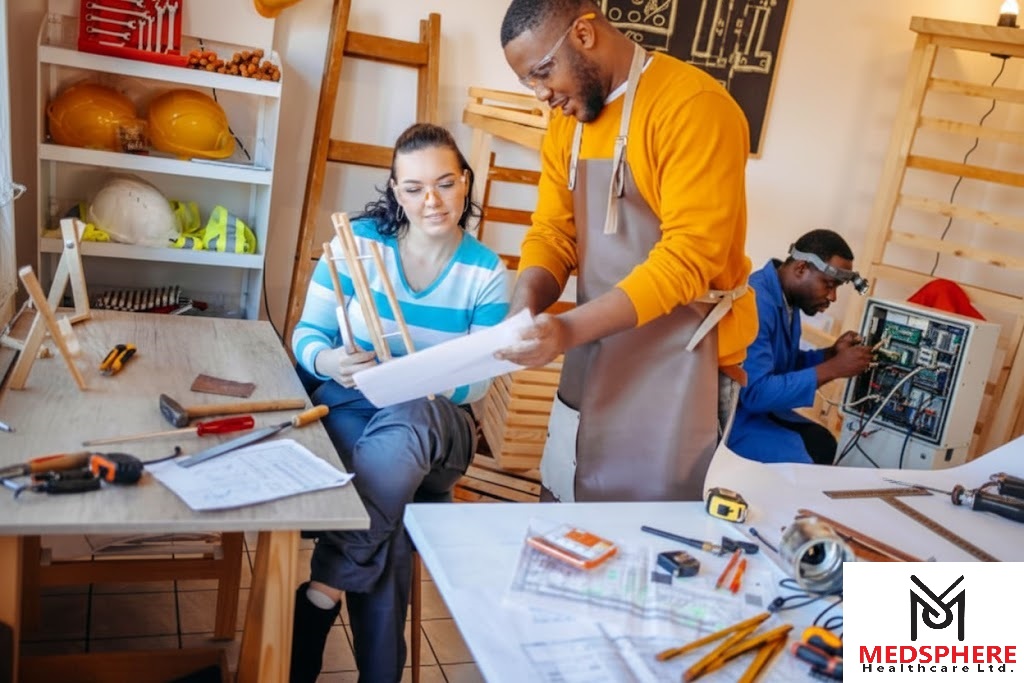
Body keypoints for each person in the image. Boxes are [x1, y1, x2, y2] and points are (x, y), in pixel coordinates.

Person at [496, 0, 758, 502]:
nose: (543, 94)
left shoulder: (694, 106)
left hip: (683, 364)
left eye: (544, 72)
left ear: (585, 34)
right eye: (530, 81)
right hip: (594, 350)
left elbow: (687, 259)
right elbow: (553, 233)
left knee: (652, 543)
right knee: (566, 516)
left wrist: (569, 328)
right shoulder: (566, 123)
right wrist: (524, 307)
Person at [289, 123, 510, 682]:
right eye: (413, 188)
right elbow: (307, 337)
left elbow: (476, 386)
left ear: (465, 183)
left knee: (407, 424)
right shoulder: (355, 244)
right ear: (394, 189)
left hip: (439, 430)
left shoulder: (486, 272)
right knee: (391, 505)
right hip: (356, 409)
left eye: (444, 183)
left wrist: (411, 377)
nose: (430, 201)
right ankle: (375, 671)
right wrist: (331, 363)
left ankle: (322, 591)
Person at [727, 229, 874, 465]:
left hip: (755, 412)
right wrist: (834, 369)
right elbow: (756, 393)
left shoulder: (787, 299)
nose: (833, 297)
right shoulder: (756, 300)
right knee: (806, 461)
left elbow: (783, 364)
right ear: (801, 269)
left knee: (824, 443)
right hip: (732, 420)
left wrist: (830, 354)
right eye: (829, 285)